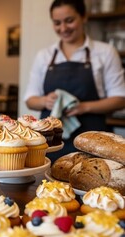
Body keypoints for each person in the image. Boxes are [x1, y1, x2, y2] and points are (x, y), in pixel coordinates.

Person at [24, 0, 125, 160]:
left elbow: (120, 99)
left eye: (69, 21)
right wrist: (46, 101)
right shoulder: (44, 56)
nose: (63, 28)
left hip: (91, 142)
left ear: (83, 17)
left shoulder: (105, 52)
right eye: (57, 23)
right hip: (50, 144)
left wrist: (84, 107)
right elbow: (30, 100)